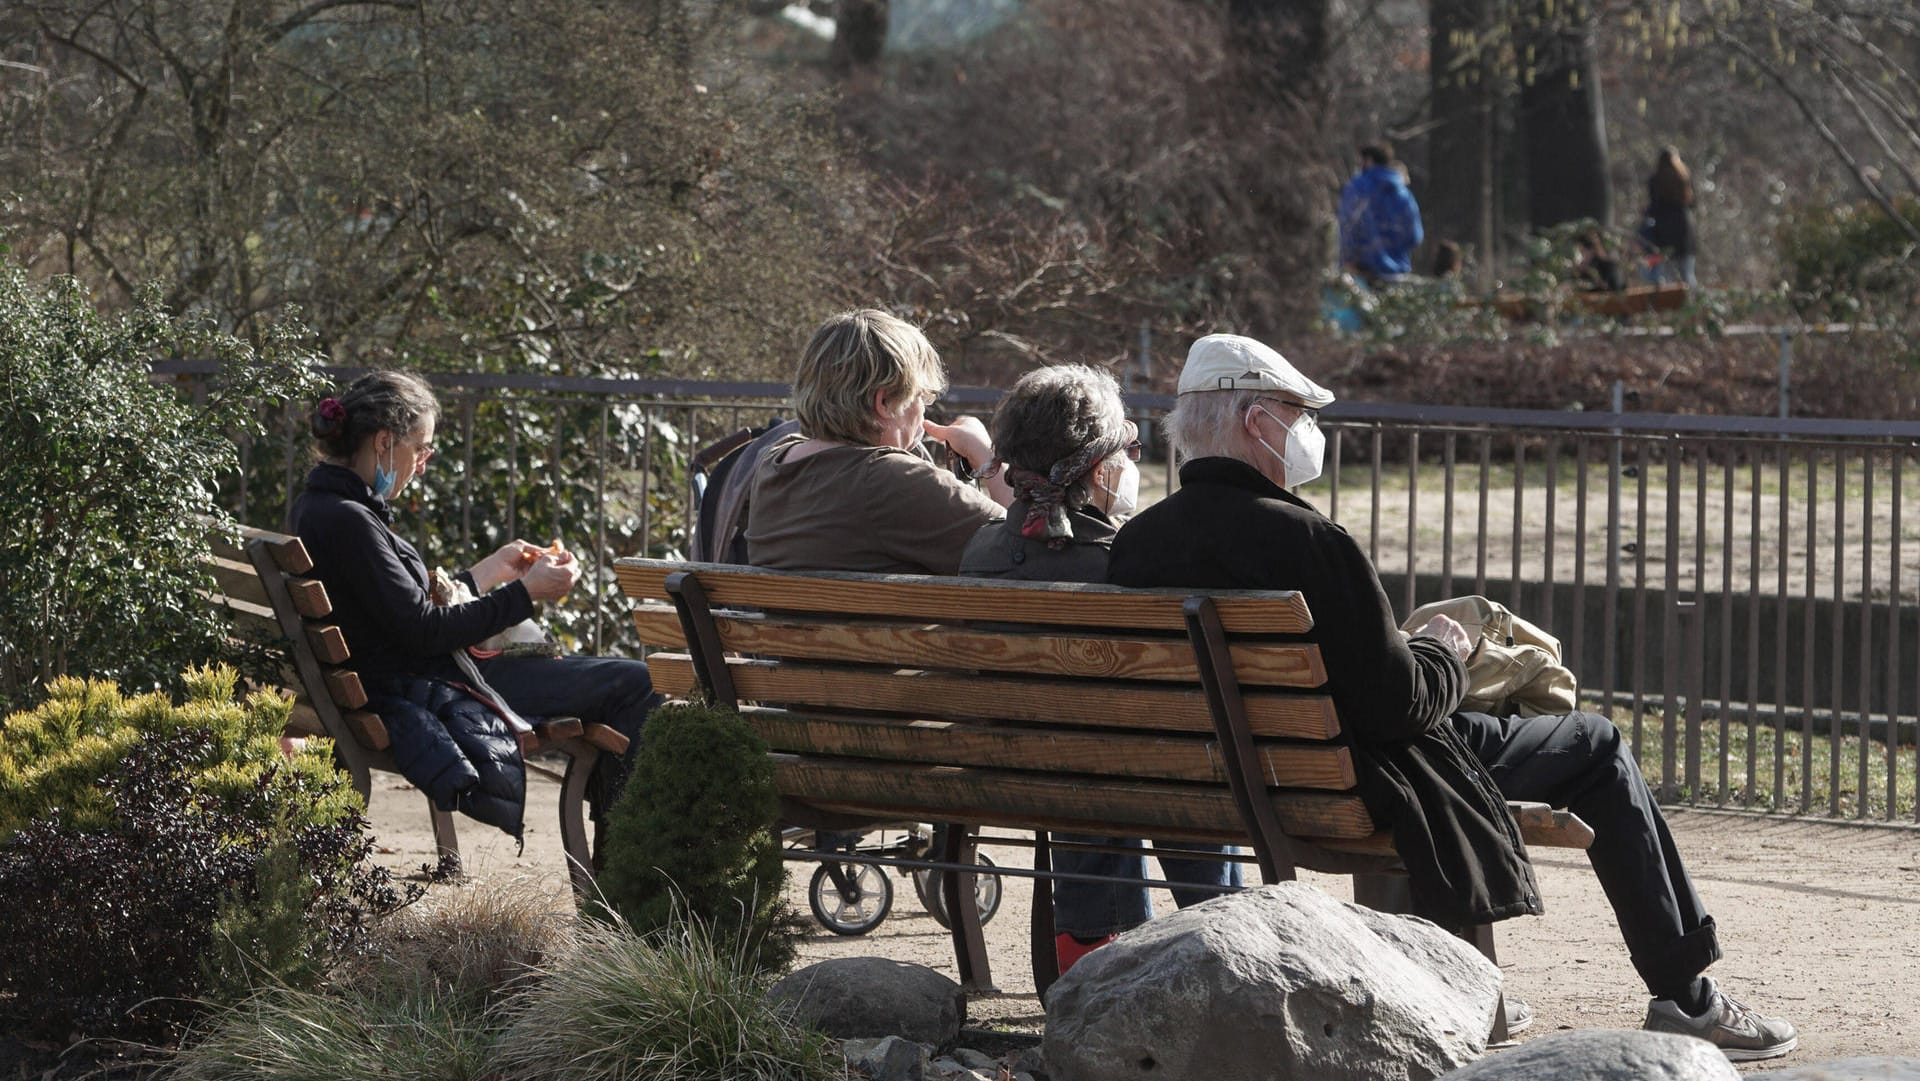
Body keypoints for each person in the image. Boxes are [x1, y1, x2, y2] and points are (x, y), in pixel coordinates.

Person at [1105, 333, 1798, 1062]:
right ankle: (1686, 994)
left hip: (1229, 776)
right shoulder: (1310, 541)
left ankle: (1449, 978)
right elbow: (1401, 705)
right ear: (1254, 423)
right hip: (1363, 777)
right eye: (1295, 411)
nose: (1305, 428)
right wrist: (1444, 648)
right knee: (1598, 745)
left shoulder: (1138, 544)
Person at [293, 371, 661, 842]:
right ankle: (629, 863)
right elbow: (424, 631)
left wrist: (488, 574)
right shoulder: (351, 521)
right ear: (384, 441)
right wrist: (527, 594)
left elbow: (401, 612)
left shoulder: (323, 507)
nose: (422, 463)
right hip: (441, 687)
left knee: (622, 680)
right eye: (420, 447)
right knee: (637, 683)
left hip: (409, 680)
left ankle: (621, 851)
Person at [957, 365, 1241, 973]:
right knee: (1170, 762)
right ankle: (1229, 938)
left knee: (1092, 765)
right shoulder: (1134, 562)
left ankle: (1093, 966)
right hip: (1157, 780)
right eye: (1131, 448)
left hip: (1025, 771)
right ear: (1104, 468)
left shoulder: (979, 554)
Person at [746, 309, 1012, 574]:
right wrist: (986, 456)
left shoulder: (773, 463)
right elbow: (1032, 553)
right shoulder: (896, 479)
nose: (923, 409)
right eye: (921, 396)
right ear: (884, 402)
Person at [1337, 144, 1425, 282]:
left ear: (1369, 160)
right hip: (1397, 276)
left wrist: (1348, 260)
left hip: (1361, 275)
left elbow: (1348, 226)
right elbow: (1415, 236)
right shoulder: (1404, 194)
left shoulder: (1357, 188)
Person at [1643, 146, 1697, 286]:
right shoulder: (1684, 177)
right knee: (1687, 274)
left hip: (1664, 231)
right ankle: (1693, 302)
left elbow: (1654, 207)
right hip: (1685, 227)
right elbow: (1692, 203)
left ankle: (1672, 304)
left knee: (1667, 275)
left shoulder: (1655, 179)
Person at [1574, 228, 1627, 293]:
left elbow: (1609, 288)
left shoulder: (1607, 265)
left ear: (1592, 250)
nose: (1580, 258)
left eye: (1582, 252)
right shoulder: (1586, 267)